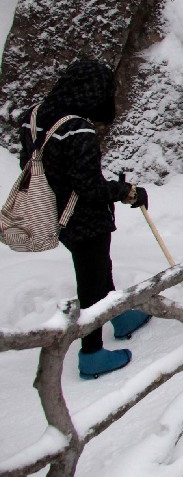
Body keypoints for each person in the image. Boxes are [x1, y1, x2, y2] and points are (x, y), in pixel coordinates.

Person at [17, 60, 150, 379]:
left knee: (99, 269)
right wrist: (126, 191)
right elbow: (89, 185)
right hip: (84, 219)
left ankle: (119, 316)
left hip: (52, 210)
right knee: (90, 284)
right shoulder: (77, 127)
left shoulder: (34, 115)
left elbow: (31, 161)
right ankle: (91, 353)